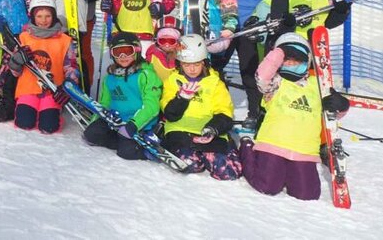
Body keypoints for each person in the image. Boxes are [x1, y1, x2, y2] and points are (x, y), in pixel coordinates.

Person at [239, 32, 349, 201]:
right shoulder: (275, 83)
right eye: (286, 60)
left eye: (296, 59)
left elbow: (334, 116)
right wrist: (280, 51)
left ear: (307, 61)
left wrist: (341, 105)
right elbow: (262, 75)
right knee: (267, 186)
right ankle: (247, 147)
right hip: (273, 145)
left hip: (304, 151)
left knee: (307, 195)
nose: (290, 63)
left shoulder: (318, 86)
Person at [160, 34, 241, 181]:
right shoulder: (172, 80)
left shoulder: (215, 82)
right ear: (180, 63)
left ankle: (231, 150)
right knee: (189, 164)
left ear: (204, 62)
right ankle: (193, 155)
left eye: (196, 64)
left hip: (207, 132)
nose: (192, 69)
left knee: (228, 172)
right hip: (181, 132)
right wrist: (181, 98)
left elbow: (224, 110)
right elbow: (170, 114)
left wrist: (212, 129)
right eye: (187, 64)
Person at [81, 32, 161, 161]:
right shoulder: (110, 78)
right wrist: (94, 122)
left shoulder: (146, 75)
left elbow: (152, 106)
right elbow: (104, 103)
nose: (123, 56)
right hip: (116, 120)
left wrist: (134, 125)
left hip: (138, 122)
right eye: (118, 52)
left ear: (137, 50)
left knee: (126, 153)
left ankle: (144, 146)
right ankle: (122, 140)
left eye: (127, 51)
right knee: (91, 135)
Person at [11, 0, 79, 134]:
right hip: (28, 88)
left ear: (53, 16)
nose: (43, 20)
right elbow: (15, 71)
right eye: (39, 16)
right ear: (33, 17)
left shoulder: (65, 40)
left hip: (52, 91)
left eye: (47, 16)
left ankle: (50, 112)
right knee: (24, 123)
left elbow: (71, 67)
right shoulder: (24, 38)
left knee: (48, 127)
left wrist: (67, 88)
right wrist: (17, 60)